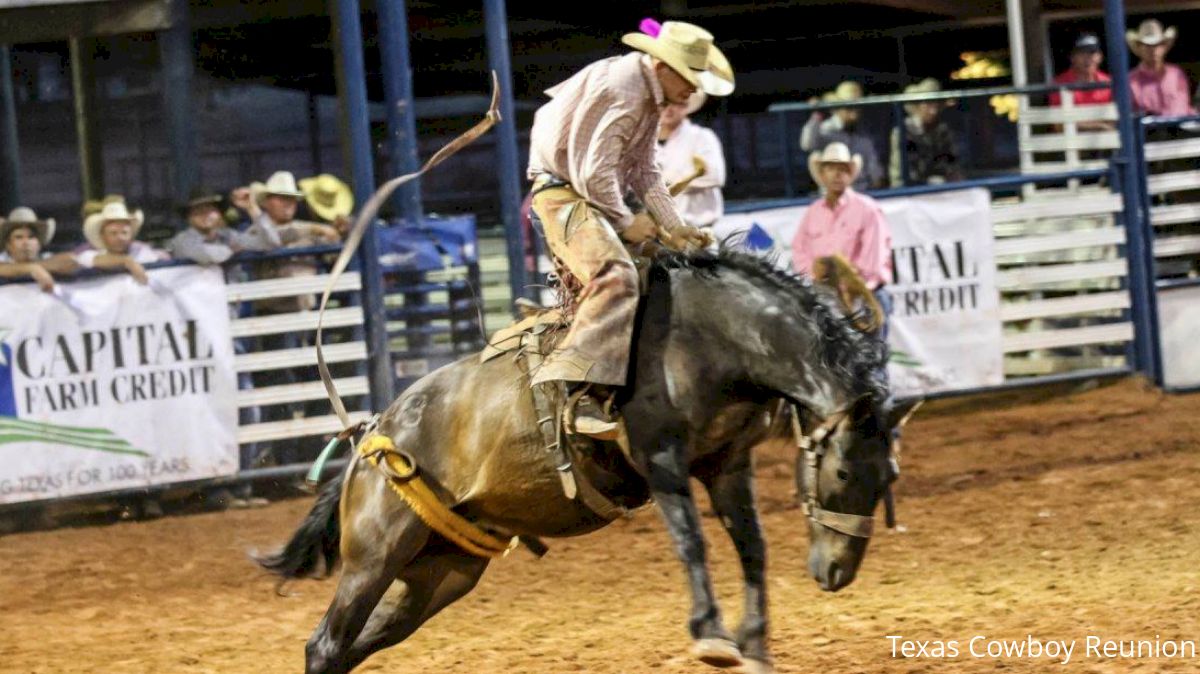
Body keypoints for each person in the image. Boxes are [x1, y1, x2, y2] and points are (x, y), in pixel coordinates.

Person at [526, 20, 731, 438]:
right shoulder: (623, 88)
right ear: (663, 66)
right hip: (563, 193)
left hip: (580, 191)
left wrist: (675, 226)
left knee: (668, 271)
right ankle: (577, 390)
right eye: (690, 78)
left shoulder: (644, 93)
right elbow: (593, 172)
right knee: (616, 277)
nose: (694, 89)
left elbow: (644, 168)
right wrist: (626, 222)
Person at [792, 142, 894, 339]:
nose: (837, 174)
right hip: (827, 300)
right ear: (822, 174)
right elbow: (800, 251)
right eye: (831, 168)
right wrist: (816, 278)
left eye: (843, 169)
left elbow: (873, 259)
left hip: (863, 296)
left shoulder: (867, 209)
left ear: (850, 174)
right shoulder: (813, 212)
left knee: (870, 364)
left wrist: (850, 286)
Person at [657, 91, 727, 229]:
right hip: (660, 234)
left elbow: (714, 176)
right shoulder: (643, 142)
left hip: (698, 230)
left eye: (675, 103)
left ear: (686, 105)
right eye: (663, 103)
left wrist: (662, 182)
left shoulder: (702, 137)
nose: (669, 109)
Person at [800, 81, 884, 190]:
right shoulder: (825, 129)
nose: (854, 114)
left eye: (857, 108)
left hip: (862, 192)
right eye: (849, 108)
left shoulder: (864, 133)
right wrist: (816, 115)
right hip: (832, 194)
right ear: (837, 108)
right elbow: (807, 145)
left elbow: (875, 172)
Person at [166, 187, 282, 265]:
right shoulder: (181, 240)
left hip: (231, 298)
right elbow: (203, 254)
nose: (205, 215)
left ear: (219, 214)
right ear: (189, 218)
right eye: (198, 211)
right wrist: (230, 250)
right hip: (197, 300)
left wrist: (251, 207)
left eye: (210, 210)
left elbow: (271, 242)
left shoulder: (228, 235)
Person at [889, 78, 962, 187]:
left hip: (941, 189)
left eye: (936, 105)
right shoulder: (904, 132)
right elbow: (905, 172)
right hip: (909, 191)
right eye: (928, 105)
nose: (933, 111)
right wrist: (929, 182)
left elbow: (951, 162)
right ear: (917, 106)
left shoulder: (942, 130)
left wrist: (951, 177)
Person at [75, 199, 168, 282]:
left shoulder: (141, 251)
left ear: (131, 235)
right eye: (113, 233)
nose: (120, 238)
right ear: (103, 236)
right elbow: (89, 260)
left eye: (124, 233)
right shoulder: (89, 254)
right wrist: (126, 261)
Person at [1127, 19, 1196, 117]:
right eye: (1147, 45)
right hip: (1149, 130)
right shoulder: (1130, 80)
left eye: (1157, 44)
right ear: (1139, 48)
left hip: (1179, 128)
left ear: (1164, 47)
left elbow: (1182, 105)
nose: (1153, 50)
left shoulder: (1176, 74)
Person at [0, 208, 78, 291]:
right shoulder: (2, 259)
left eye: (31, 237)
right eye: (19, 237)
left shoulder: (46, 257)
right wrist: (31, 268)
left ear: (39, 244)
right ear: (8, 244)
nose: (26, 242)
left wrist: (35, 267)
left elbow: (70, 260)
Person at [1049, 33, 1114, 117]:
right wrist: (1101, 125)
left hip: (1108, 130)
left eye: (1092, 53)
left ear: (1100, 57)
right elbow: (1058, 124)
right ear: (1072, 58)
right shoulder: (1058, 84)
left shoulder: (1109, 82)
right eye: (1082, 53)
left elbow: (1117, 117)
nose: (1087, 58)